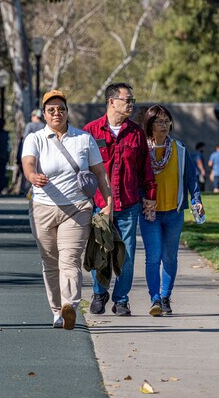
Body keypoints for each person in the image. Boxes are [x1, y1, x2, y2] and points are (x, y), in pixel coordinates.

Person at [22, 90, 113, 330]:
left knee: (70, 260)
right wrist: (33, 176)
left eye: (61, 109)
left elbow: (99, 173)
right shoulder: (36, 138)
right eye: (51, 109)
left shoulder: (83, 139)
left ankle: (69, 305)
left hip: (77, 208)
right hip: (43, 208)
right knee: (50, 262)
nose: (56, 113)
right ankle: (56, 311)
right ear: (44, 114)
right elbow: (28, 162)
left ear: (67, 112)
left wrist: (108, 202)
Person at [83, 83, 157, 317]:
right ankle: (99, 293)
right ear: (112, 101)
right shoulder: (91, 131)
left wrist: (150, 196)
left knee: (126, 254)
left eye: (132, 100)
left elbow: (145, 168)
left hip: (128, 204)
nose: (131, 104)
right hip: (99, 204)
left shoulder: (136, 133)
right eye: (127, 100)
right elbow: (82, 169)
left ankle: (121, 300)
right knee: (99, 252)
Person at [139, 105, 204, 316]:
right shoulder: (142, 150)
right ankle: (154, 299)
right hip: (150, 213)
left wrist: (196, 200)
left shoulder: (179, 148)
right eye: (159, 121)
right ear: (150, 124)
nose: (164, 125)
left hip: (174, 212)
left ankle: (165, 296)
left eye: (167, 121)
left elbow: (191, 178)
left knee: (170, 257)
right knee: (153, 257)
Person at [16, 109, 45, 194]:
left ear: (35, 116)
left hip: (30, 152)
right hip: (41, 152)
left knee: (27, 169)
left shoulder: (29, 125)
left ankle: (25, 189)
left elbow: (25, 138)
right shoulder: (43, 125)